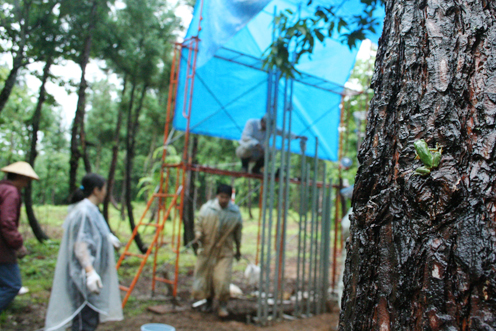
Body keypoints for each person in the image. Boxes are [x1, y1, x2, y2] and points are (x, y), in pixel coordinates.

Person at [45, 173, 123, 331]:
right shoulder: (84, 211)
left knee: (89, 318)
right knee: (84, 321)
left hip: (89, 276)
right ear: (96, 190)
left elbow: (91, 235)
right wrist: (90, 273)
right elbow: (80, 245)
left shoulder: (91, 210)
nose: (106, 192)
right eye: (105, 188)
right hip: (82, 277)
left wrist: (106, 238)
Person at [192, 184, 242, 317]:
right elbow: (198, 224)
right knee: (206, 278)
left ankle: (222, 306)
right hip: (207, 250)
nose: (224, 200)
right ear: (217, 196)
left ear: (230, 198)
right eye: (221, 197)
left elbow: (238, 233)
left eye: (226, 197)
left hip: (225, 251)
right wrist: (198, 235)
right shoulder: (206, 209)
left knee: (222, 279)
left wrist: (238, 249)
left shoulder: (235, 213)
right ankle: (208, 303)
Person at [0, 161, 39, 313]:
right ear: (20, 177)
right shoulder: (11, 192)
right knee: (13, 285)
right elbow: (6, 222)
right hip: (3, 248)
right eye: (26, 180)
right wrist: (17, 243)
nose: (27, 184)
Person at [236, 114, 305, 174]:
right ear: (262, 121)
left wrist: (296, 136)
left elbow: (283, 132)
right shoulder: (251, 123)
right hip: (246, 151)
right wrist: (257, 144)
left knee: (273, 150)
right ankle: (244, 167)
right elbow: (245, 137)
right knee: (249, 146)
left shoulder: (270, 128)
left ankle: (256, 168)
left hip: (259, 152)